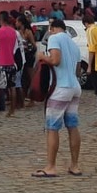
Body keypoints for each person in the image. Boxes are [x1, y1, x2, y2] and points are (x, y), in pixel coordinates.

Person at [32, 17, 82, 178]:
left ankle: (51, 166)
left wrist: (41, 56)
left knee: (52, 127)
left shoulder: (54, 38)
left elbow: (55, 60)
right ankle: (74, 165)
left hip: (60, 87)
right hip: (74, 86)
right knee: (72, 126)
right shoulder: (73, 43)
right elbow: (77, 67)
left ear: (53, 28)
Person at [0, 12, 19, 118]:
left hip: (1, 63)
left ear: (0, 19)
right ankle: (12, 111)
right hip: (11, 62)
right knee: (12, 87)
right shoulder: (13, 31)